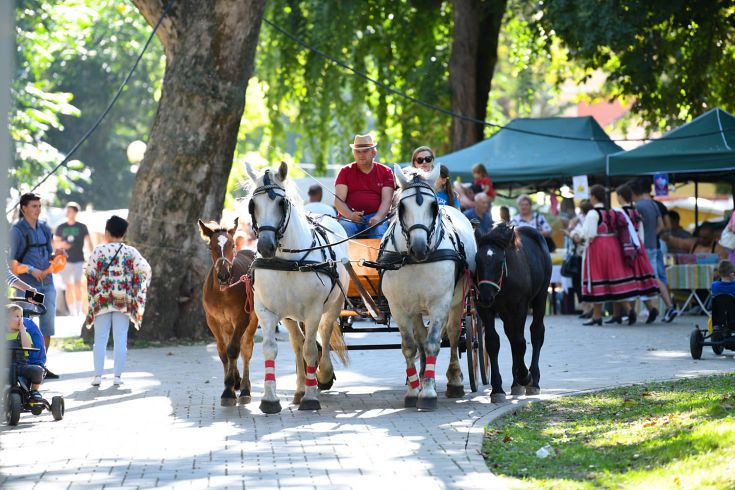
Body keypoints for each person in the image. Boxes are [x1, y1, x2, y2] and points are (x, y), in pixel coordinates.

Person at [577, 185, 658, 325]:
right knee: (616, 281)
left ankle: (600, 315)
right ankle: (625, 311)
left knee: (599, 280)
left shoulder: (594, 213)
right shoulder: (614, 212)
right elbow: (632, 231)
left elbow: (589, 234)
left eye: (591, 195)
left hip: (599, 247)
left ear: (595, 197)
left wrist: (576, 235)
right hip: (618, 246)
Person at [86, 216, 151, 387]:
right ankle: (117, 377)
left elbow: (90, 275)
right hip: (123, 301)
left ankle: (98, 376)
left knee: (100, 339)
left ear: (107, 233)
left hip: (102, 300)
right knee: (120, 339)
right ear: (123, 233)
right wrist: (134, 287)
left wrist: (92, 296)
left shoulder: (98, 251)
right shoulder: (131, 252)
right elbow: (145, 270)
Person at [9, 192, 63, 374]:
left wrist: (58, 256)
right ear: (24, 208)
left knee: (47, 325)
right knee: (22, 323)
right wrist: (32, 270)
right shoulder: (16, 231)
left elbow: (50, 254)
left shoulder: (45, 228)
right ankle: (23, 366)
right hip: (26, 285)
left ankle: (40, 367)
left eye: (39, 206)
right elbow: (11, 263)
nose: (37, 210)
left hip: (47, 283)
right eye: (34, 206)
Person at [613, 184, 665, 324]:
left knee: (624, 282)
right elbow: (640, 232)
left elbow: (617, 234)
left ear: (620, 197)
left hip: (624, 250)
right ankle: (650, 308)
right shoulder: (636, 212)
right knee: (640, 281)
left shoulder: (618, 213)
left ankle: (630, 311)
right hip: (638, 248)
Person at [632, 179, 678, 322]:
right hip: (655, 245)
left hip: (644, 247)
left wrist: (643, 238)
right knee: (659, 277)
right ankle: (665, 307)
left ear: (634, 193)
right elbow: (662, 225)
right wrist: (653, 234)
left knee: (652, 277)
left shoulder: (637, 206)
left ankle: (669, 307)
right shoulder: (654, 204)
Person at [334, 134, 394, 238]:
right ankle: (346, 255)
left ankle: (377, 255)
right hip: (350, 217)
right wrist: (350, 215)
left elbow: (387, 200)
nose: (361, 154)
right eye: (358, 151)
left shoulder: (386, 172)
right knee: (345, 227)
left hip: (376, 216)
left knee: (380, 231)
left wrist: (378, 217)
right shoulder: (345, 171)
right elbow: (338, 201)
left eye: (365, 151)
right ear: (354, 153)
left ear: (374, 153)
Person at [54, 202, 94, 316]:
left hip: (79, 260)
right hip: (65, 261)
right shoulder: (61, 227)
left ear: (75, 212)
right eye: (67, 210)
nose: (68, 212)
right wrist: (62, 245)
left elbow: (89, 242)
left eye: (70, 210)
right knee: (68, 286)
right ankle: (72, 311)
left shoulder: (82, 226)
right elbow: (55, 242)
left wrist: (92, 256)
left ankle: (79, 310)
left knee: (78, 283)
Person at [6, 304, 44, 401]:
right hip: (5, 366)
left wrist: (23, 331)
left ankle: (34, 391)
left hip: (22, 366)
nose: (20, 319)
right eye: (17, 316)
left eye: (21, 316)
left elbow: (27, 347)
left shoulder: (25, 334)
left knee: (38, 370)